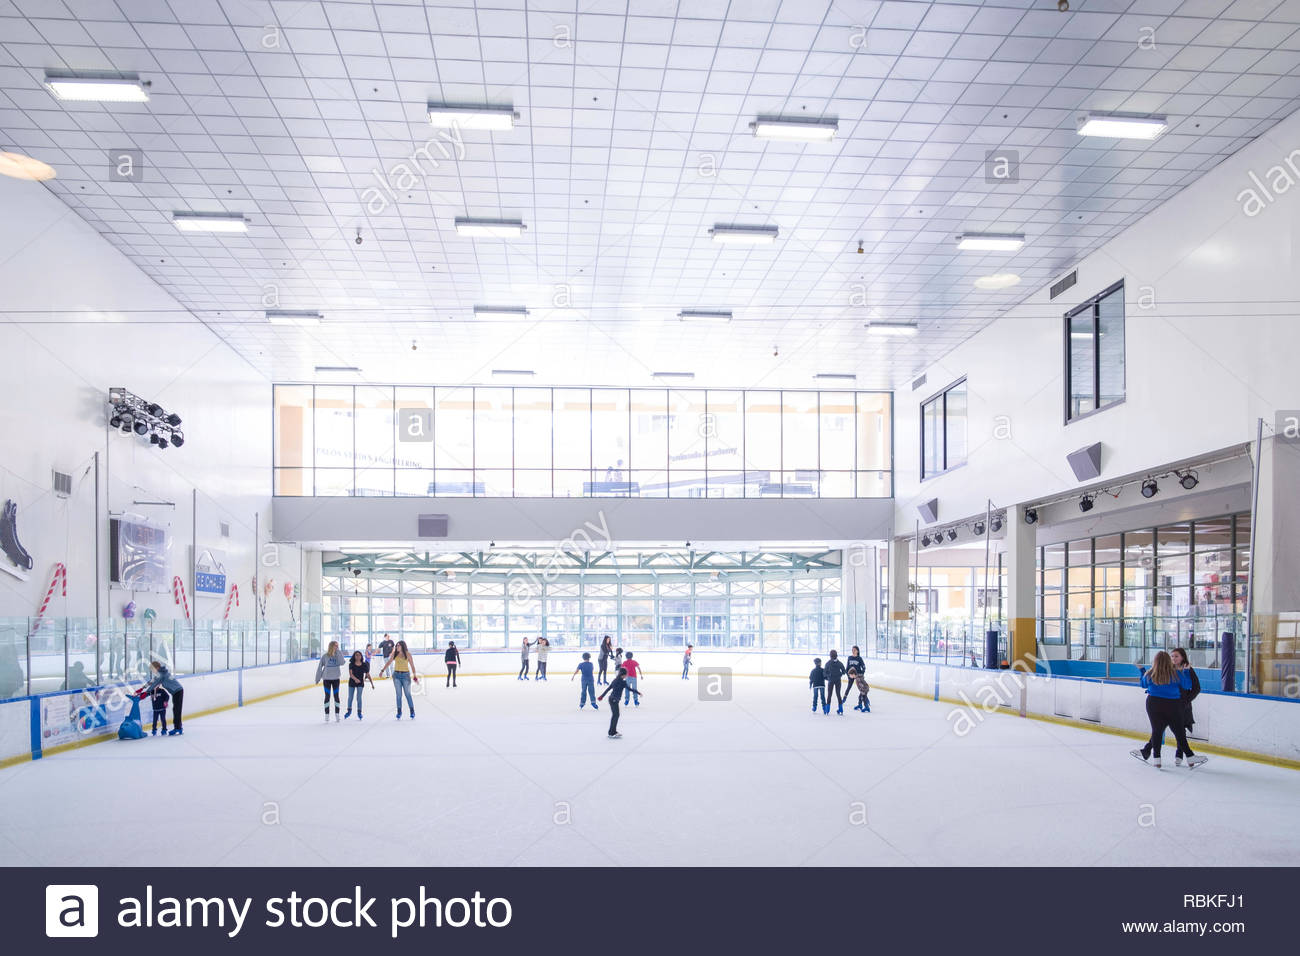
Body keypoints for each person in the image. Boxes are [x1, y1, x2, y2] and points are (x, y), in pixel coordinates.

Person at [1130, 651, 1207, 769]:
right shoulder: (1176, 673)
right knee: (1179, 732)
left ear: (1155, 662)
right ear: (1168, 661)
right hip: (1172, 705)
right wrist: (1186, 671)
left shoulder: (1150, 673)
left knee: (1157, 731)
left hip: (1153, 704)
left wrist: (1142, 670)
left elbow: (1143, 684)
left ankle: (1157, 759)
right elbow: (1187, 685)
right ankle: (1189, 756)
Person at [1170, 647, 1202, 766]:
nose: (1173, 658)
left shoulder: (1188, 669)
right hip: (1170, 703)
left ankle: (1180, 754)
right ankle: (1183, 754)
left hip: (1183, 705)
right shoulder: (1169, 669)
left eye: (1176, 656)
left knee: (1180, 729)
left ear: (1183, 657)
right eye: (1172, 656)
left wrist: (1186, 701)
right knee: (1177, 730)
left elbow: (1197, 688)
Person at [141, 660, 184, 736]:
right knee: (176, 710)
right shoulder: (161, 673)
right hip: (177, 692)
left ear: (157, 667)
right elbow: (152, 680)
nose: (152, 671)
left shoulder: (161, 674)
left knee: (177, 710)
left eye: (153, 669)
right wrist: (143, 688)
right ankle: (178, 727)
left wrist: (147, 692)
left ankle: (178, 728)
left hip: (177, 691)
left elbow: (154, 684)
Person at [379, 639, 419, 719]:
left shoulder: (408, 654)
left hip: (405, 676)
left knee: (407, 694)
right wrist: (382, 670)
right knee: (398, 695)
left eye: (398, 645)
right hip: (396, 676)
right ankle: (399, 712)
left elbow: (412, 666)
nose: (397, 647)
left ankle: (412, 711)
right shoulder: (395, 653)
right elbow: (389, 662)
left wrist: (415, 676)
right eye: (396, 645)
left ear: (402, 646)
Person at [598, 666, 642, 738]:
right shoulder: (623, 682)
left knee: (615, 715)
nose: (627, 675)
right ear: (623, 675)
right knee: (616, 715)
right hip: (614, 700)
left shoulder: (615, 680)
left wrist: (601, 696)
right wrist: (638, 692)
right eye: (626, 674)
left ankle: (613, 731)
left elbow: (608, 689)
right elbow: (630, 689)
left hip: (611, 699)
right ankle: (611, 732)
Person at [315, 640, 348, 722]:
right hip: (326, 679)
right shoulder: (325, 656)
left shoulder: (338, 655)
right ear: (331, 646)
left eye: (338, 646)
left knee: (336, 696)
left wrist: (339, 653)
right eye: (335, 646)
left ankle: (337, 714)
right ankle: (327, 714)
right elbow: (320, 668)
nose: (337, 647)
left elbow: (342, 663)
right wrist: (317, 678)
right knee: (327, 696)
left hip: (336, 679)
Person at [344, 650, 374, 720]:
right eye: (356, 655)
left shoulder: (364, 665)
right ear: (354, 656)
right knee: (350, 697)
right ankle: (349, 711)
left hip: (360, 683)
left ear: (361, 656)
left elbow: (367, 674)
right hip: (352, 682)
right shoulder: (351, 664)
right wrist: (355, 679)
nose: (358, 656)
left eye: (359, 655)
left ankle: (359, 712)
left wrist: (372, 683)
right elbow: (351, 674)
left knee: (359, 697)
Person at [823, 649, 846, 715]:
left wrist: (828, 676)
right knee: (838, 694)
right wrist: (840, 674)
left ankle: (827, 710)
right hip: (838, 680)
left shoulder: (828, 663)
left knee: (829, 694)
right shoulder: (839, 663)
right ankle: (841, 709)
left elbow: (824, 672)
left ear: (830, 656)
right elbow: (844, 671)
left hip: (831, 681)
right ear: (837, 656)